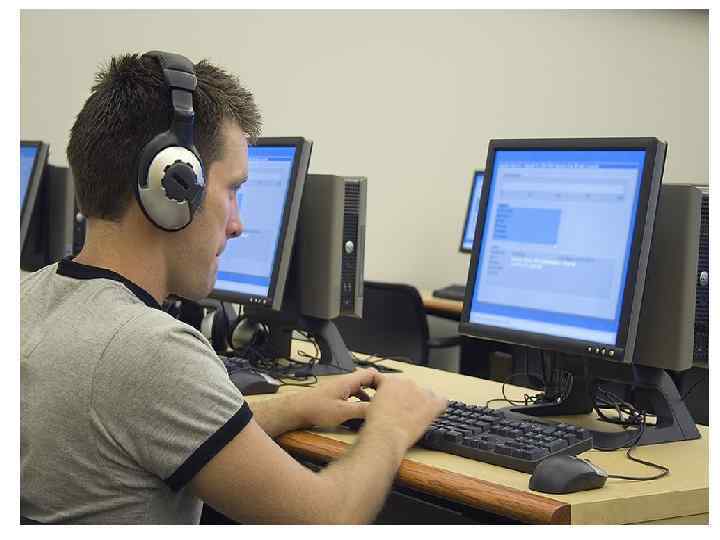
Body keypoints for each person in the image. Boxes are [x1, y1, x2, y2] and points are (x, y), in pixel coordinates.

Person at [20, 51, 447, 524]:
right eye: (233, 189)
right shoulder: (149, 350)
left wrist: (291, 408)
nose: (238, 224)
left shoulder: (31, 299)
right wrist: (391, 427)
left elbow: (164, 430)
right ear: (170, 187)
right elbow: (327, 518)